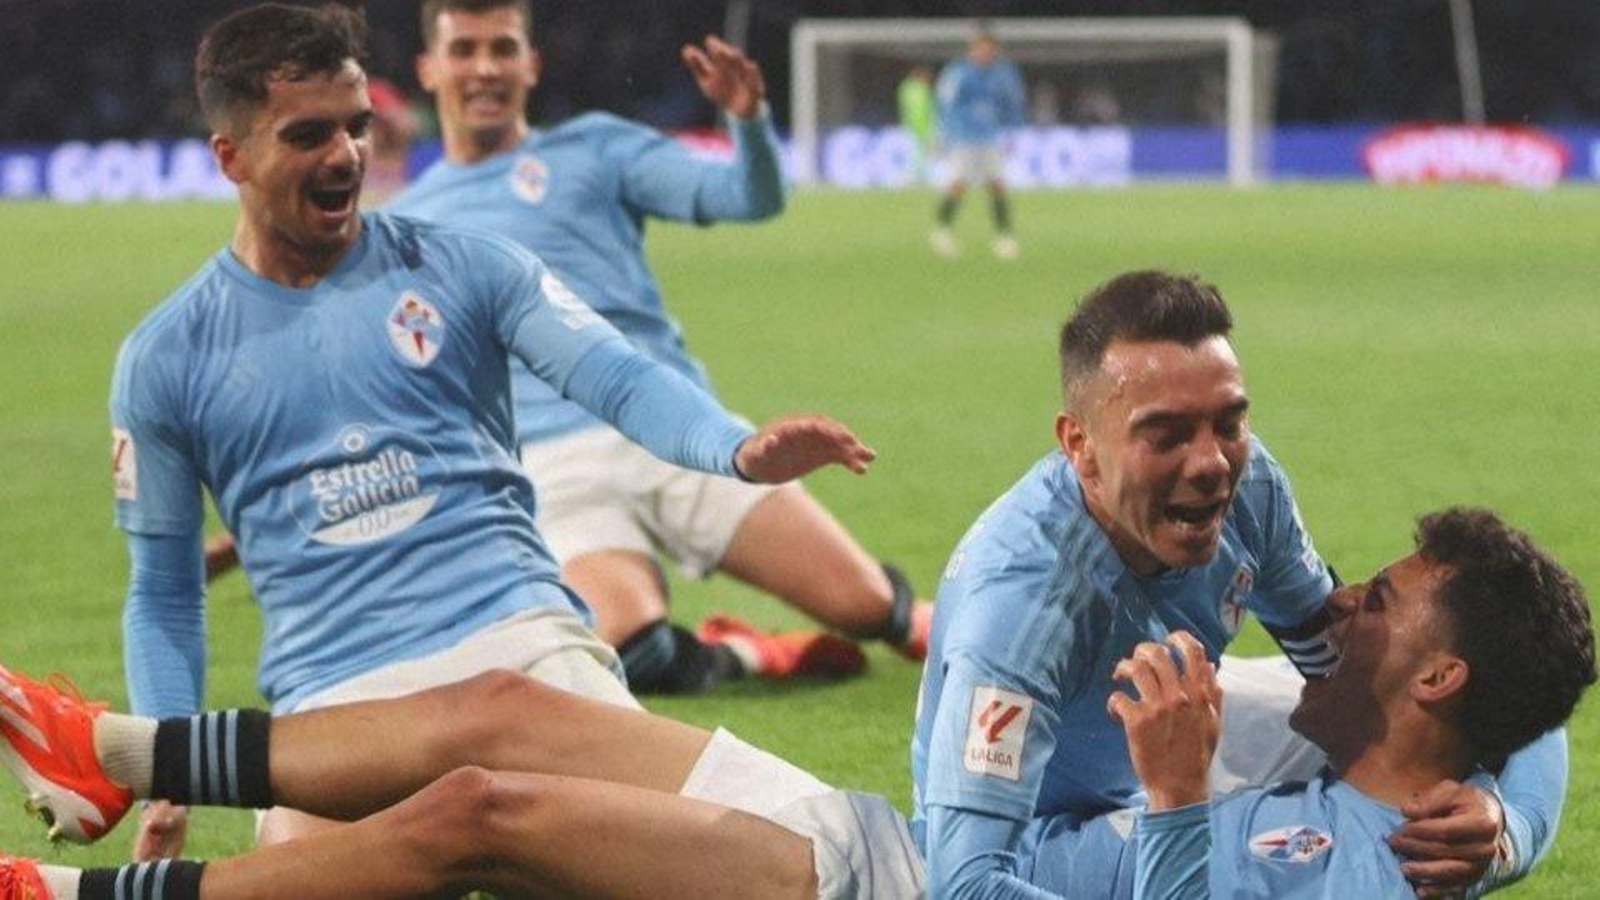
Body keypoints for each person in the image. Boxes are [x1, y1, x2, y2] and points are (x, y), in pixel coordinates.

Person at [113, 2, 876, 861]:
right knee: (299, 875)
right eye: (308, 135)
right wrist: (166, 774)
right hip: (335, 703)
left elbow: (618, 375)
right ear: (231, 156)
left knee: (789, 850)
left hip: (521, 654)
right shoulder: (166, 358)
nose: (345, 156)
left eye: (358, 127)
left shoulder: (467, 266)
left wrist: (733, 450)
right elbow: (165, 594)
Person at [0, 510, 1583, 899]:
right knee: (502, 707)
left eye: (1385, 599)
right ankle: (109, 750)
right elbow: (1548, 707)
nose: (1341, 599)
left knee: (480, 818)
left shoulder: (1371, 862)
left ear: (1436, 675)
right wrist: (1518, 808)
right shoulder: (1391, 747)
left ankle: (68, 894)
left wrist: (1171, 802)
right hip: (891, 841)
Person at [910, 270, 1558, 896]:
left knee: (1444, 688)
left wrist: (1508, 824)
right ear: (1079, 445)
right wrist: (1176, 803)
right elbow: (963, 882)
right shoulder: (1022, 609)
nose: (1211, 464)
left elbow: (1501, 667)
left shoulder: (1251, 489)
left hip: (1181, 723)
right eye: (1165, 434)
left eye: (1228, 422)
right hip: (1039, 826)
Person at [381, 0, 933, 695]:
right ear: (430, 68)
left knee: (867, 607)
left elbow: (749, 197)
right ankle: (746, 654)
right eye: (464, 50)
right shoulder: (403, 226)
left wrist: (748, 123)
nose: (485, 67)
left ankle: (899, 615)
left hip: (674, 423)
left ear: (532, 63)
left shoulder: (597, 148)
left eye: (502, 48)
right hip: (550, 466)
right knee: (621, 643)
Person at [929, 30, 1025, 261]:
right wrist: (942, 135)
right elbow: (944, 104)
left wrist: (1012, 131)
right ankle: (942, 230)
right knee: (958, 184)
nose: (984, 53)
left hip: (989, 137)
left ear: (994, 51)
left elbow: (1013, 103)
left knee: (997, 184)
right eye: (980, 48)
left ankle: (1004, 236)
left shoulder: (1003, 74)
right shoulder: (958, 72)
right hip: (963, 137)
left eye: (989, 49)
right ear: (972, 49)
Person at [897, 64, 937, 182]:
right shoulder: (916, 89)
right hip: (917, 128)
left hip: (917, 127)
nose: (928, 78)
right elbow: (921, 110)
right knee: (915, 154)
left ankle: (920, 177)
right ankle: (909, 178)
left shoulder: (906, 88)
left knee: (922, 155)